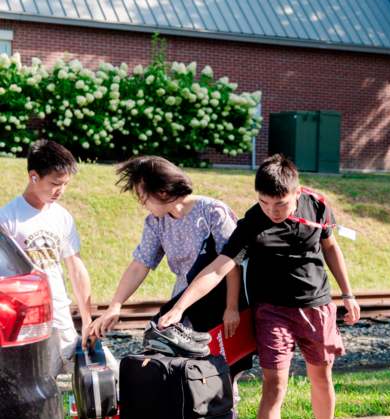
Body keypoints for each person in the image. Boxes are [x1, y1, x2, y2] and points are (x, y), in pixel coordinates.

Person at [157, 154, 360, 419]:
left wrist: (348, 293)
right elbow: (219, 267)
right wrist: (179, 307)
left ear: (296, 192)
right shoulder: (252, 221)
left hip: (317, 306)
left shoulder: (318, 206)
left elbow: (331, 247)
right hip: (272, 311)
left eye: (279, 204)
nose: (272, 211)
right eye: (264, 202)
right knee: (274, 386)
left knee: (322, 379)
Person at [89, 154, 242, 347]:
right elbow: (140, 264)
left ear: (162, 192)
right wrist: (115, 306)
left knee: (222, 366)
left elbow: (231, 264)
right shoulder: (156, 221)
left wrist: (232, 307)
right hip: (183, 301)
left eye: (143, 198)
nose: (142, 204)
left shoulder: (213, 212)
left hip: (221, 299)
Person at [0, 140, 93, 374]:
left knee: (92, 378)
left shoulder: (62, 217)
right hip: (26, 323)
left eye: (65, 184)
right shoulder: (7, 218)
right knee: (38, 382)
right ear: (33, 176)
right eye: (54, 184)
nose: (60, 191)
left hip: (60, 315)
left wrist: (87, 319)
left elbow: (76, 267)